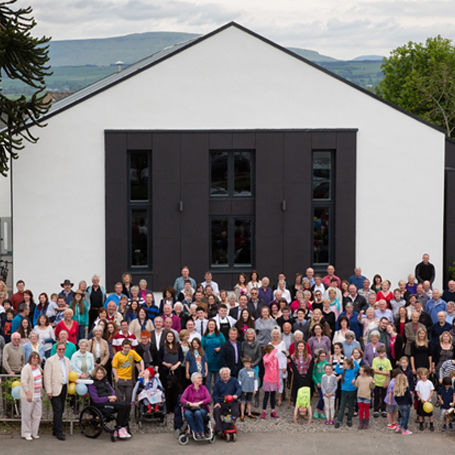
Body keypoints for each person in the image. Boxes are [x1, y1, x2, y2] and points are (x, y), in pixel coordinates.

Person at [88, 365, 132, 439]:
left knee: (128, 404)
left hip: (109, 401)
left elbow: (112, 391)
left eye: (101, 373)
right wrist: (108, 398)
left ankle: (122, 427)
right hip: (100, 404)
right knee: (122, 407)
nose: (100, 375)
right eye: (98, 373)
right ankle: (118, 428)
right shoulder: (92, 384)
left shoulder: (105, 381)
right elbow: (96, 399)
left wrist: (113, 397)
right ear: (95, 374)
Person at [44, 341, 71, 440]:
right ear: (56, 349)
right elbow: (47, 377)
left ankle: (55, 429)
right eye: (59, 349)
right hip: (54, 388)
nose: (61, 351)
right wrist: (48, 390)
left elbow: (70, 372)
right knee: (58, 410)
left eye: (63, 349)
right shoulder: (50, 360)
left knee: (60, 410)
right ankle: (59, 432)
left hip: (64, 387)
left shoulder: (67, 360)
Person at [180, 371, 212, 439]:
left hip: (201, 408)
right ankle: (196, 431)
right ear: (194, 380)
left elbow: (209, 399)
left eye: (201, 378)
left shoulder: (203, 388)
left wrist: (199, 403)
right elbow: (182, 399)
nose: (201, 379)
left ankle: (202, 432)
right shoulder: (189, 388)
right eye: (199, 378)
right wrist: (190, 403)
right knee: (187, 414)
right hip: (190, 408)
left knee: (197, 413)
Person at [112, 339, 144, 403]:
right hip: (120, 377)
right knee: (120, 398)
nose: (127, 349)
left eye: (128, 348)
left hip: (129, 378)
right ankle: (120, 412)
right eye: (125, 348)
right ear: (122, 347)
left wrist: (142, 370)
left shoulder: (132, 352)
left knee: (129, 397)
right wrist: (117, 378)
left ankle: (127, 412)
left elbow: (141, 360)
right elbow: (114, 367)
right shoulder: (117, 355)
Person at [20, 351, 43, 441]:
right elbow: (24, 382)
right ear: (30, 358)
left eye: (37, 358)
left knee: (37, 415)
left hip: (38, 395)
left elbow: (42, 374)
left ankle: (34, 432)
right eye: (34, 358)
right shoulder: (26, 368)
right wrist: (28, 393)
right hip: (29, 396)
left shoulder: (38, 367)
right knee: (27, 415)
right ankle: (26, 433)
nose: (35, 360)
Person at [212, 367, 241, 434]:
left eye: (226, 374)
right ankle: (219, 428)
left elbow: (239, 388)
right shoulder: (217, 382)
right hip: (222, 402)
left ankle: (226, 425)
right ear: (220, 375)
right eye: (223, 374)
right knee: (216, 410)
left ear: (229, 374)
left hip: (232, 401)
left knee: (236, 412)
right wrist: (217, 402)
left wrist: (236, 394)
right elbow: (215, 394)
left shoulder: (234, 380)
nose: (225, 375)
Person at [202, 319, 226, 395]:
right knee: (207, 381)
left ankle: (217, 396)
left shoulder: (220, 335)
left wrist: (220, 349)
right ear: (207, 326)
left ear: (215, 326)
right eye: (210, 324)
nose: (211, 326)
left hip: (218, 362)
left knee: (217, 381)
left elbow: (225, 346)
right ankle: (208, 396)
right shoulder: (204, 336)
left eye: (213, 324)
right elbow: (201, 349)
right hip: (207, 363)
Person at [334, 358, 360, 428]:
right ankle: (339, 421)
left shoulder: (353, 371)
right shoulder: (343, 371)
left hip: (352, 390)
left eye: (344, 364)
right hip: (344, 390)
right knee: (342, 406)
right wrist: (338, 363)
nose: (343, 365)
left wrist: (354, 360)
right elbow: (336, 370)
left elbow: (358, 368)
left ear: (348, 365)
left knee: (351, 406)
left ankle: (349, 420)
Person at [241, 328, 262, 407]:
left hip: (254, 366)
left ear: (254, 335)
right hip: (245, 366)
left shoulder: (258, 344)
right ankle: (245, 399)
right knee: (245, 382)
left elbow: (260, 356)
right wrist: (244, 363)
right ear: (246, 335)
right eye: (248, 334)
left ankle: (256, 399)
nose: (250, 335)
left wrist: (254, 364)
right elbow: (241, 355)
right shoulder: (243, 344)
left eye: (251, 334)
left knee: (255, 383)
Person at [372, 345, 392, 418]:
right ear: (377, 353)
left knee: (384, 396)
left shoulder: (387, 361)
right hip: (376, 381)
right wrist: (384, 372)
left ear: (385, 353)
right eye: (379, 353)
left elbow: (388, 373)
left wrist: (386, 382)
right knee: (376, 396)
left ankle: (383, 409)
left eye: (382, 353)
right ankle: (376, 410)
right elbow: (374, 370)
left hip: (384, 381)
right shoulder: (375, 360)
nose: (381, 354)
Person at [261, 345, 280, 419]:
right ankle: (264, 411)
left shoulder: (276, 358)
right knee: (266, 396)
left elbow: (277, 370)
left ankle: (273, 411)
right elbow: (266, 361)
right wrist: (271, 353)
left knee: (273, 396)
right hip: (267, 380)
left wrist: (278, 382)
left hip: (274, 380)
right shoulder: (265, 357)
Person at [238, 355, 258, 421]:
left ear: (250, 364)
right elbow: (239, 381)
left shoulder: (253, 371)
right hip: (243, 389)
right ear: (243, 364)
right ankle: (242, 414)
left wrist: (255, 389)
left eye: (248, 364)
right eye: (246, 364)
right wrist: (239, 389)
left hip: (250, 389)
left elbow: (255, 380)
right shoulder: (241, 371)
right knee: (243, 402)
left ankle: (249, 413)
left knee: (249, 402)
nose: (247, 365)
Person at [354, 365, 375, 429]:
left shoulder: (370, 378)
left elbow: (372, 387)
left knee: (366, 410)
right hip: (359, 395)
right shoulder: (359, 377)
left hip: (367, 396)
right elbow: (357, 386)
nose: (359, 371)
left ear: (365, 372)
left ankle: (366, 423)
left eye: (361, 370)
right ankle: (361, 423)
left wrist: (373, 383)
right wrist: (353, 383)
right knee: (360, 410)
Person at [415, 367, 435, 432]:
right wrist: (421, 398)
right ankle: (421, 424)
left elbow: (432, 391)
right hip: (421, 400)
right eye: (422, 374)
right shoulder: (419, 383)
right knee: (420, 414)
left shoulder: (429, 383)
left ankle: (431, 424)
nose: (423, 376)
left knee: (430, 414)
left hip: (428, 401)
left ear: (427, 375)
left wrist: (428, 399)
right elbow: (417, 391)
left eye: (425, 374)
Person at [312, 350, 329, 419]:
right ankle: (316, 410)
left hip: (326, 384)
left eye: (324, 356)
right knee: (322, 397)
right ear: (319, 356)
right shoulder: (315, 364)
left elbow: (329, 373)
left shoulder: (327, 363)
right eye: (321, 356)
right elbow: (313, 374)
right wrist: (316, 382)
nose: (322, 357)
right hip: (318, 384)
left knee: (324, 398)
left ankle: (321, 412)